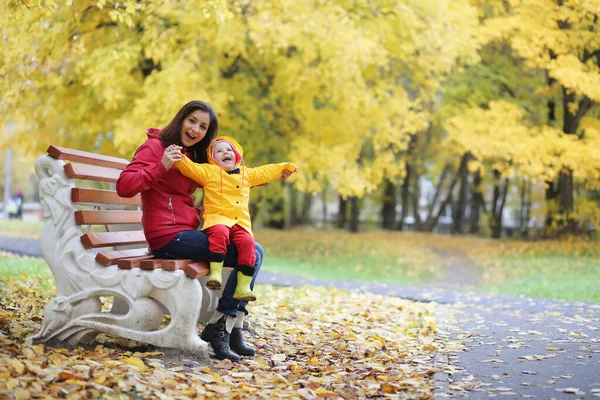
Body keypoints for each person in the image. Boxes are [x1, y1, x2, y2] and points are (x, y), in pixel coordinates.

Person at [116, 100, 261, 362]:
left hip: (186, 232)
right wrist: (161, 165)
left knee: (254, 249)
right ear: (181, 118)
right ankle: (222, 328)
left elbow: (191, 194)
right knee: (249, 253)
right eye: (192, 121)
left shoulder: (193, 156)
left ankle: (230, 326)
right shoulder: (155, 147)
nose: (195, 129)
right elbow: (124, 186)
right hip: (166, 236)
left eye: (203, 127)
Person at [171, 137, 297, 302]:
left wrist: (284, 168)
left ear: (236, 154)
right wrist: (178, 156)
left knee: (248, 243)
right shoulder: (209, 172)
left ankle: (243, 286)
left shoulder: (246, 174)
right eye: (220, 151)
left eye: (229, 150)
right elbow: (191, 169)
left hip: (240, 222)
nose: (225, 153)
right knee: (220, 234)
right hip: (218, 220)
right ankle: (216, 274)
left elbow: (265, 171)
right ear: (213, 159)